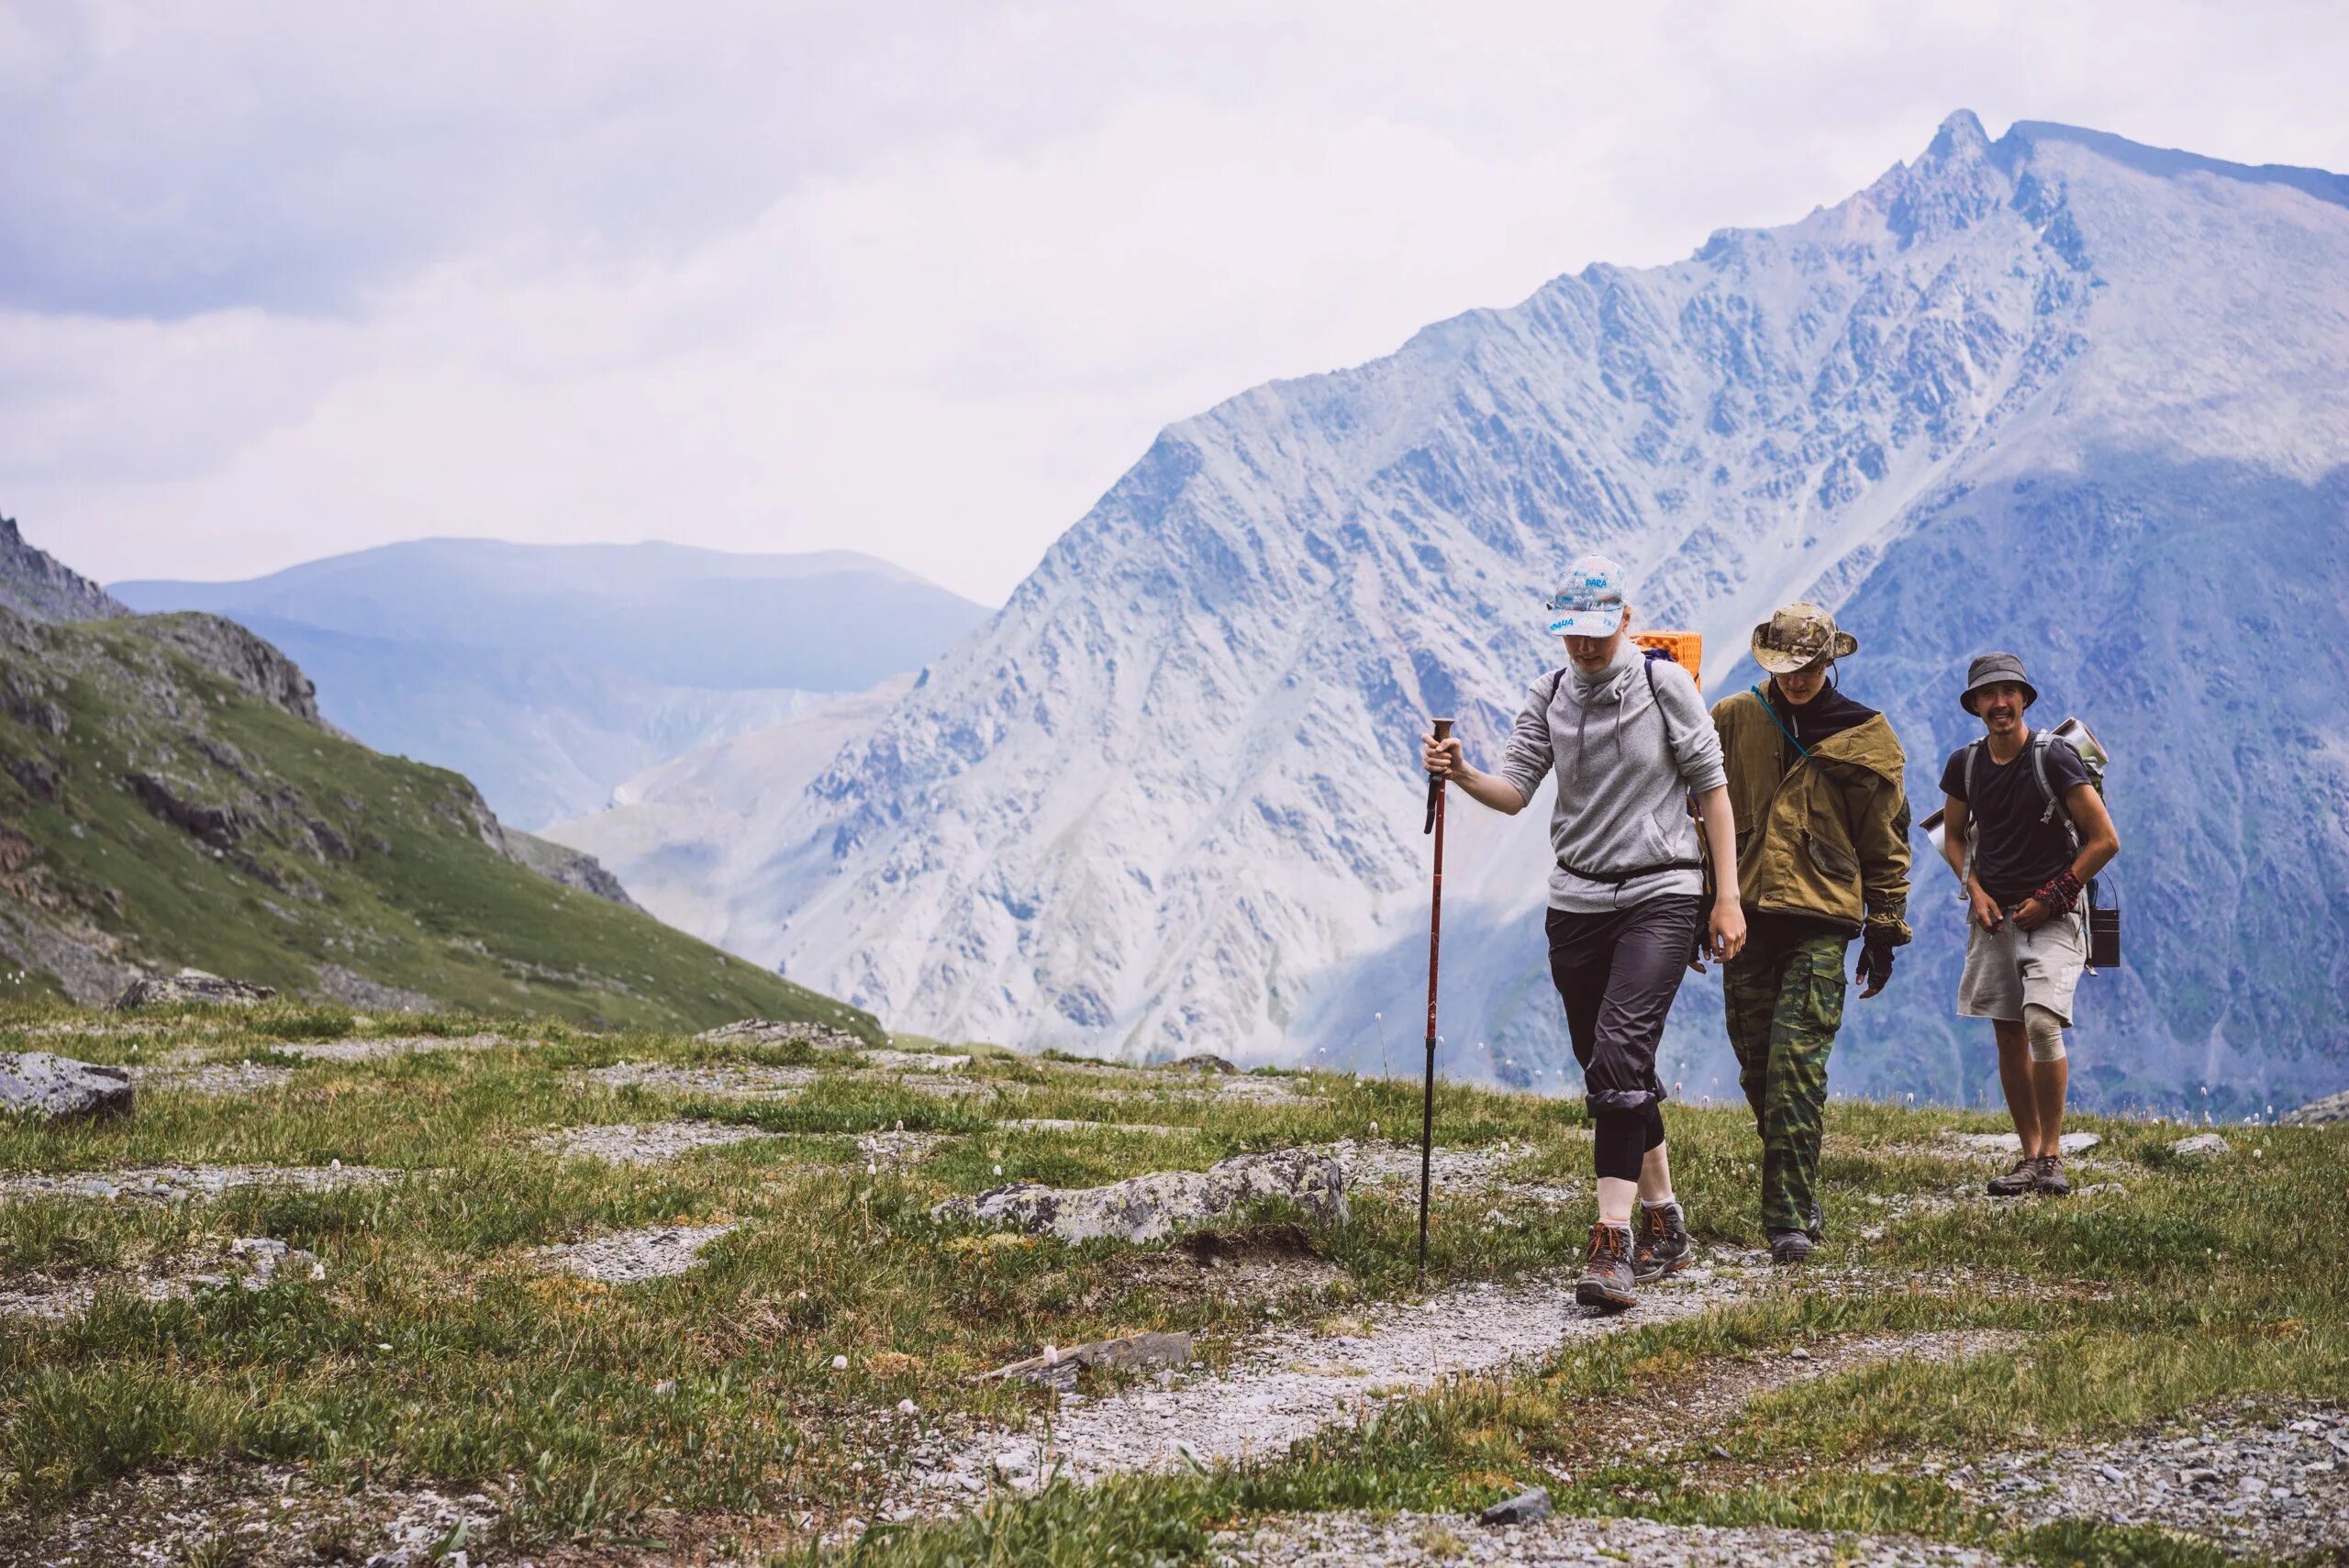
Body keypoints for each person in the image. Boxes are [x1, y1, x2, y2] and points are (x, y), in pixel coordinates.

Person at [1423, 556, 1743, 1311]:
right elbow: (1515, 791)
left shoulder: (1666, 686)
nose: (1586, 649)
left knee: (1621, 1051)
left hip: (1664, 890)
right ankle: (1666, 1220)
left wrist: (1726, 896)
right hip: (1577, 899)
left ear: (1624, 620)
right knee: (1607, 1068)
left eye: (1598, 634)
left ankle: (1612, 1243)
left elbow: (1713, 791)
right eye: (1572, 635)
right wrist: (1463, 772)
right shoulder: (1552, 693)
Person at [1711, 604, 1912, 1264]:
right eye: (1786, 668)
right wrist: (1698, 906)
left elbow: (1884, 840)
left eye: (1809, 668)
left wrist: (1883, 928)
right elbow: (1698, 814)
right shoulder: (1734, 719)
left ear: (1831, 663)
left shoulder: (1866, 737)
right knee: (1758, 1066)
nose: (1796, 680)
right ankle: (1798, 1188)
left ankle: (1788, 1220)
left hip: (1823, 919)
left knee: (1797, 1066)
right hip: (1745, 913)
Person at [1938, 652, 2121, 1196]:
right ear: (1975, 705)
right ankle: (2029, 1155)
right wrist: (1973, 887)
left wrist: (2056, 894)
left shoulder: (2056, 758)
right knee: (2008, 1031)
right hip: (1994, 917)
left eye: (2009, 692)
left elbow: (2104, 840)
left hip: (2055, 914)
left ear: (2024, 699)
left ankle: (2052, 1157)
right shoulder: (1964, 766)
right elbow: (1952, 835)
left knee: (2040, 1022)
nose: (2000, 703)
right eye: (1988, 695)